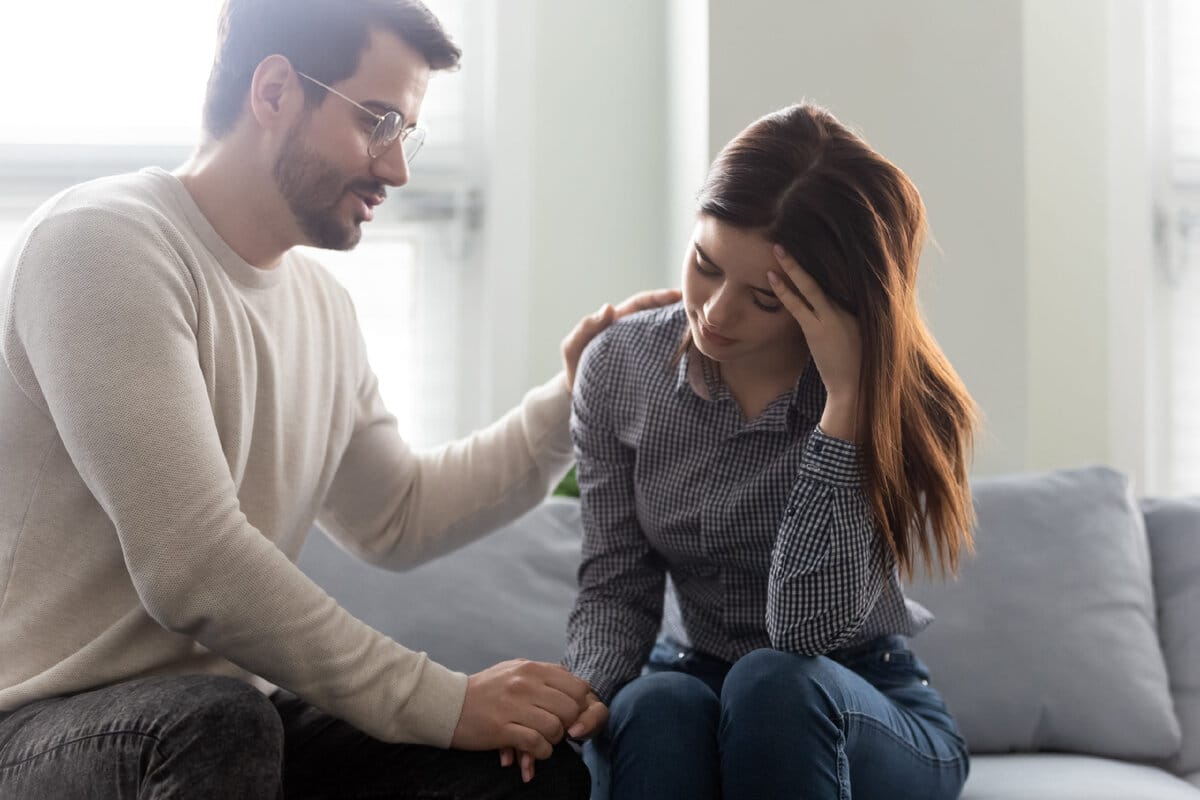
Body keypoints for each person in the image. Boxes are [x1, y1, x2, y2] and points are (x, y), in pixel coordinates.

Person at [0, 0, 674, 796]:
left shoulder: (321, 307)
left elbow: (398, 515)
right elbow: (192, 565)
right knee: (221, 724)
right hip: (42, 724)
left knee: (524, 768)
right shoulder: (101, 245)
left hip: (225, 720)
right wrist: (446, 700)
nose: (397, 169)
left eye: (406, 133)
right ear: (274, 91)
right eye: (377, 122)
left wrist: (571, 395)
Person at [563, 103, 978, 799]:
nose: (715, 312)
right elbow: (616, 587)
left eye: (764, 298)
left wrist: (845, 406)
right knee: (655, 705)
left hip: (852, 694)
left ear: (834, 300)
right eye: (705, 264)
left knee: (772, 683)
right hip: (691, 674)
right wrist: (581, 698)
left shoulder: (886, 397)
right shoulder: (620, 369)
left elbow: (804, 633)